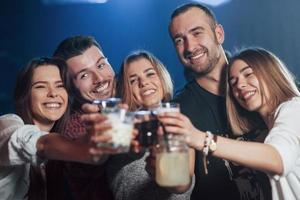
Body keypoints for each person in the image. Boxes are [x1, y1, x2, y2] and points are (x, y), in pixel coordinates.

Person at [161, 3, 271, 200]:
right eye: (179, 40)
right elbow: (179, 181)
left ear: (219, 34)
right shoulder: (180, 110)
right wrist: (166, 171)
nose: (190, 46)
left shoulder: (262, 78)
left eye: (197, 32)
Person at [158, 47, 300, 200]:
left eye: (248, 74)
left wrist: (200, 138)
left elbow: (278, 159)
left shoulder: (293, 108)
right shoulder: (269, 126)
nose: (240, 85)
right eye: (233, 83)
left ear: (271, 72)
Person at [81, 50, 193, 200]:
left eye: (150, 74)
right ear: (126, 89)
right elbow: (129, 148)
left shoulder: (181, 122)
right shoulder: (119, 123)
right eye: (133, 80)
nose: (144, 82)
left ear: (161, 77)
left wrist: (170, 174)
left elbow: (183, 184)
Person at [0, 57, 96, 200]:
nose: (53, 93)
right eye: (40, 86)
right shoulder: (7, 123)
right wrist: (83, 149)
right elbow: (35, 142)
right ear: (25, 95)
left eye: (60, 85)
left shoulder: (58, 154)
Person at [51, 35, 114, 200]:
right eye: (84, 76)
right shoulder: (73, 129)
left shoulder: (128, 101)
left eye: (101, 65)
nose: (99, 79)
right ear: (70, 87)